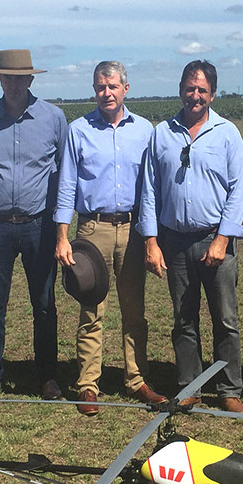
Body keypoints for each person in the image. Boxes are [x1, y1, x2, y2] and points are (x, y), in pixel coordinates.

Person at [54, 61, 167, 416]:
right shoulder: (78, 130)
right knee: (91, 309)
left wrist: (151, 236)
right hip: (92, 230)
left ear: (126, 89)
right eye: (101, 87)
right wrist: (62, 236)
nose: (107, 93)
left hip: (133, 230)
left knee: (135, 311)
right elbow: (67, 185)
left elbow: (151, 188)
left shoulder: (145, 131)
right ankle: (88, 384)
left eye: (113, 86)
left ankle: (137, 379)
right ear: (95, 90)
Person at [137, 60, 243, 413]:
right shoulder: (162, 133)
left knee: (225, 318)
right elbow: (150, 190)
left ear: (212, 93)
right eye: (190, 88)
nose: (195, 95)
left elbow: (237, 189)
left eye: (202, 89)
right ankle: (190, 385)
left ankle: (229, 389)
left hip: (216, 240)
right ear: (180, 90)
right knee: (183, 318)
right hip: (174, 241)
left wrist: (222, 239)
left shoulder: (227, 133)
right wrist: (151, 241)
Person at [0, 49, 68, 404]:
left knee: (44, 304)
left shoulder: (53, 118)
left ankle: (47, 377)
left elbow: (62, 171)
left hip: (38, 225)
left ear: (30, 79)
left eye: (19, 77)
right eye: (6, 77)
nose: (12, 83)